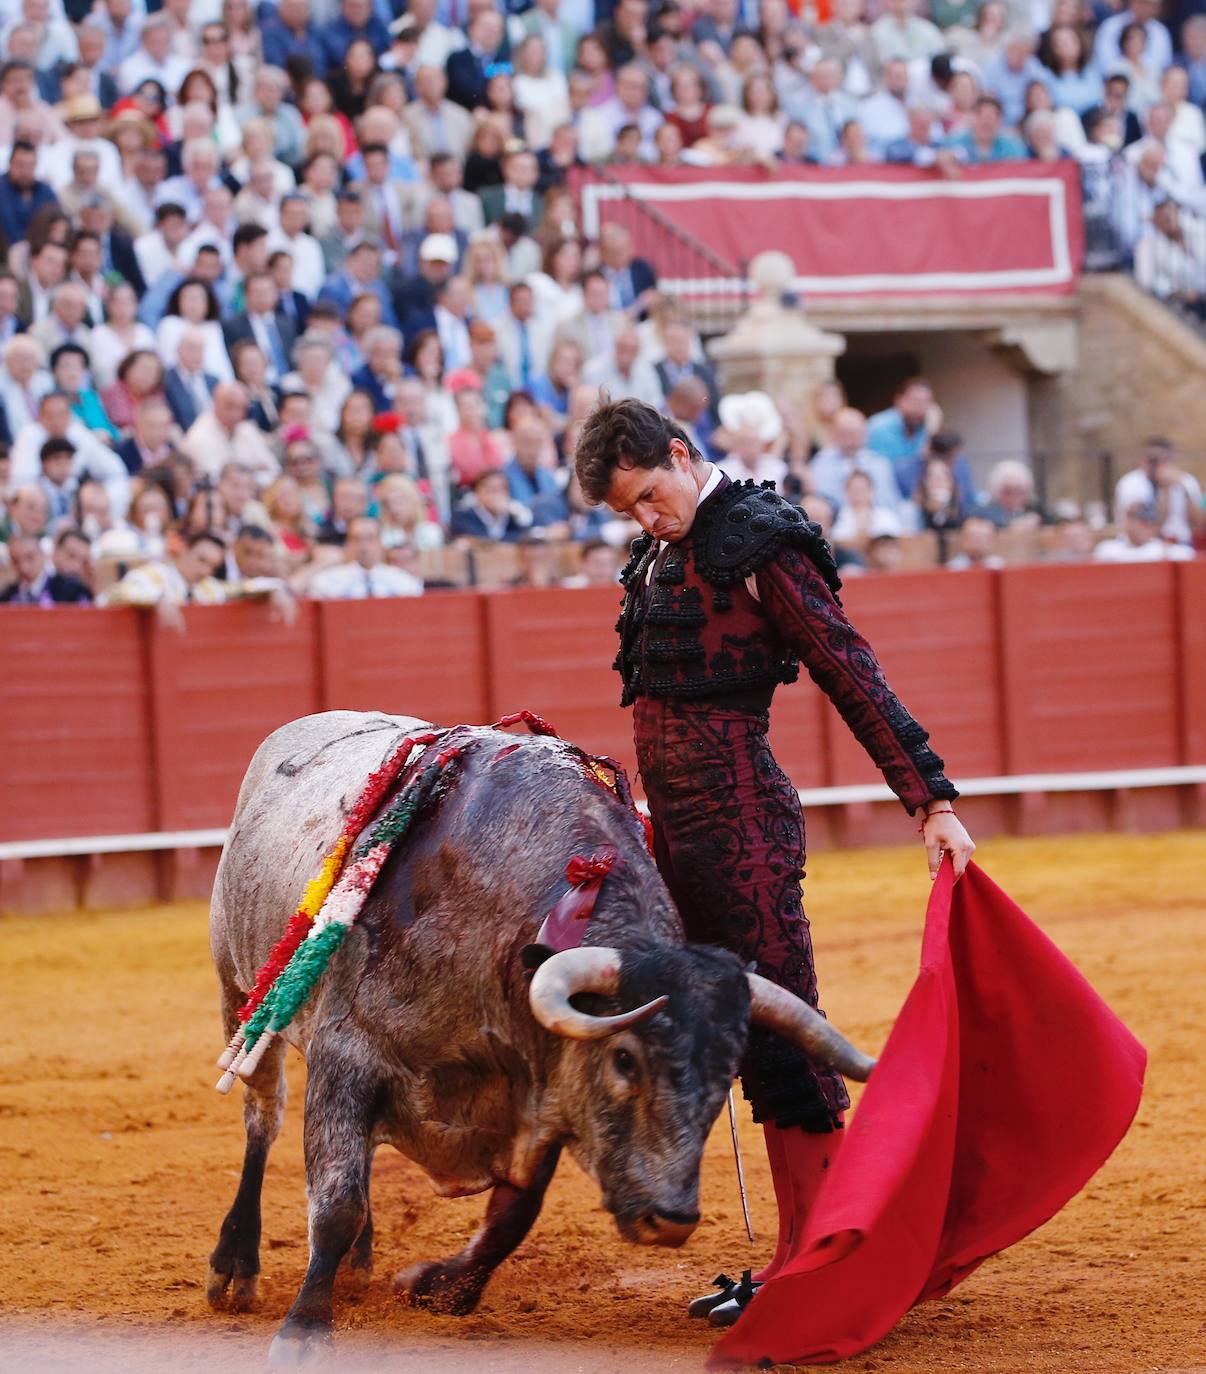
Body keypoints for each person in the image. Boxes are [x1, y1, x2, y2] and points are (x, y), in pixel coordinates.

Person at [573, 397, 973, 1327]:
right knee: (744, 1034)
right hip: (675, 831)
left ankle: (823, 1258)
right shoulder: (662, 553)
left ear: (679, 454)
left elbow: (847, 666)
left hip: (743, 825)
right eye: (627, 511)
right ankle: (799, 1253)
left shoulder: (757, 539)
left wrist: (931, 799)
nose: (644, 519)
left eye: (647, 497)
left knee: (786, 1034)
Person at [1113, 436, 1203, 547]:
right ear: (1143, 461)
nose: (1158, 465)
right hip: (1142, 546)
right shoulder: (1130, 483)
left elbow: (1198, 523)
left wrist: (1183, 490)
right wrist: (1164, 490)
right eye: (1153, 460)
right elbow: (1147, 528)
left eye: (1164, 460)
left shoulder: (1186, 481)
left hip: (1180, 543)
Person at [308, 514, 424, 597]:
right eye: (356, 539)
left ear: (381, 543)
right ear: (347, 544)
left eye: (370, 538)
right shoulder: (326, 582)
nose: (363, 546)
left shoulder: (404, 582)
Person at [1, 532, 92, 604]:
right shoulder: (7, 596)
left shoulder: (73, 591)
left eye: (30, 557)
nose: (23, 567)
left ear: (42, 554)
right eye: (16, 560)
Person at [1093, 500, 1195, 562]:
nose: (1140, 527)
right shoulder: (1108, 549)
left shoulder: (1162, 550)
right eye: (1133, 519)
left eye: (1146, 523)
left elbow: (1188, 554)